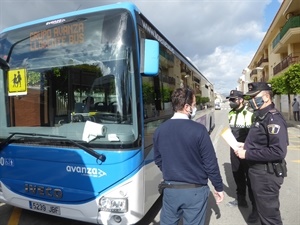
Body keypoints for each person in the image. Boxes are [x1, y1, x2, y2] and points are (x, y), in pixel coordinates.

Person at [153, 88, 224, 225]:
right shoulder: (199, 130)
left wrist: (171, 172)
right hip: (195, 191)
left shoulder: (160, 130)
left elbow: (158, 159)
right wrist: (218, 187)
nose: (195, 107)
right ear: (186, 107)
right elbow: (210, 163)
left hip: (170, 190)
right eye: (194, 104)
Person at [234, 82, 288, 225]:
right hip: (258, 173)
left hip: (266, 176)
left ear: (265, 97)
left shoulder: (273, 118)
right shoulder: (260, 116)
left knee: (270, 218)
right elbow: (261, 142)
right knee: (261, 213)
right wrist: (244, 145)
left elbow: (278, 151)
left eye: (254, 97)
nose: (250, 100)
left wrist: (247, 154)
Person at [226, 90, 258, 223]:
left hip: (247, 150)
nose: (231, 102)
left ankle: (255, 209)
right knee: (237, 174)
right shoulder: (231, 113)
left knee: (250, 178)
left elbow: (255, 135)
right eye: (230, 99)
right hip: (234, 148)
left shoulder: (250, 114)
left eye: (234, 99)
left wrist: (246, 146)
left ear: (241, 100)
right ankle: (241, 199)